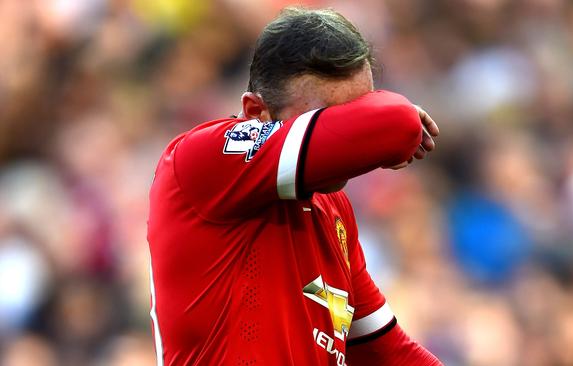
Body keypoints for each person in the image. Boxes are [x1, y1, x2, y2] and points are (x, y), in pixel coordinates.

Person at [147, 7, 442, 366]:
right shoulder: (203, 159)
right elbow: (396, 124)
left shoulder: (334, 207)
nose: (352, 132)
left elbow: (387, 353)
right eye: (333, 117)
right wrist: (394, 119)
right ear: (257, 113)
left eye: (359, 109)